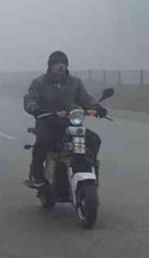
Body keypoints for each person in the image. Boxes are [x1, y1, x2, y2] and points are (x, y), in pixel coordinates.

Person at [23, 51, 104, 189]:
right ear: (50, 66)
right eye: (57, 63)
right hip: (47, 122)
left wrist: (96, 107)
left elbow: (85, 98)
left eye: (63, 64)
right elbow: (30, 99)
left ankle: (89, 168)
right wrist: (35, 109)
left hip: (70, 122)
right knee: (43, 142)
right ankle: (37, 175)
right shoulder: (39, 83)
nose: (61, 66)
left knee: (93, 140)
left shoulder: (75, 83)